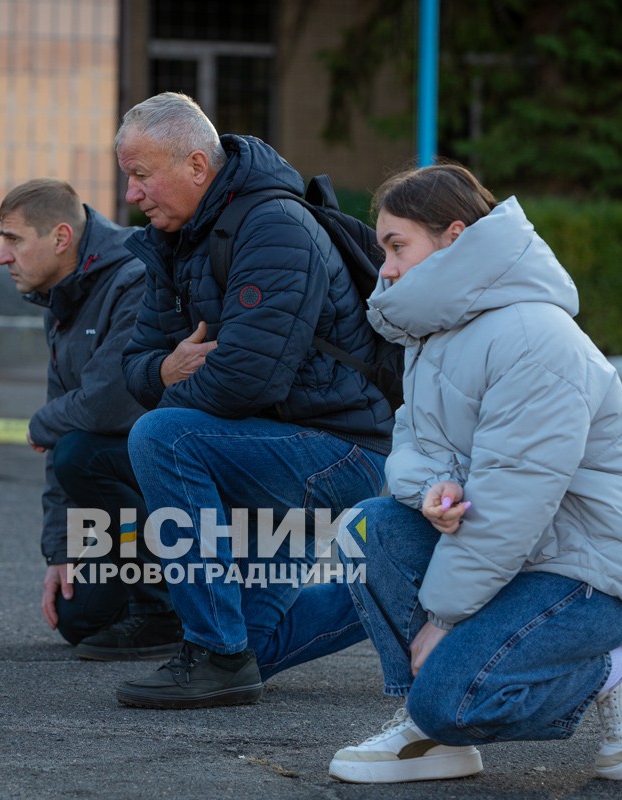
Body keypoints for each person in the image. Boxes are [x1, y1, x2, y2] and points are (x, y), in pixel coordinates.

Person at [327, 164, 622, 784]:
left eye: (398, 245)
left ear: (454, 238)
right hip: (514, 560)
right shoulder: (436, 337)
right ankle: (437, 734)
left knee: (450, 699)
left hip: (583, 575)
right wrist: (430, 489)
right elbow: (405, 447)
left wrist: (444, 618)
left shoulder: (534, 337)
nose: (387, 267)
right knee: (370, 524)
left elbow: (515, 500)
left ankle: (618, 670)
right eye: (384, 249)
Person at [112, 92, 394, 709]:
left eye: (140, 175)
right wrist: (166, 366)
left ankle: (213, 652)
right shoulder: (177, 240)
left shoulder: (274, 226)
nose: (131, 195)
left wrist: (167, 383)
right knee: (256, 647)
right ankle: (405, 585)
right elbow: (131, 367)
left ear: (195, 166)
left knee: (163, 437)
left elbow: (247, 380)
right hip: (270, 445)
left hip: (340, 451)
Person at [0, 179, 180, 660]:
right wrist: (60, 550)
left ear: (60, 238)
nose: (1, 256)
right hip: (129, 477)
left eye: (12, 239)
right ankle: (156, 597)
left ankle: (168, 607)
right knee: (80, 620)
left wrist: (40, 424)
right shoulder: (60, 295)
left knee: (81, 453)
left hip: (180, 472)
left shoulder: (134, 278)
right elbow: (68, 424)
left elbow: (110, 401)